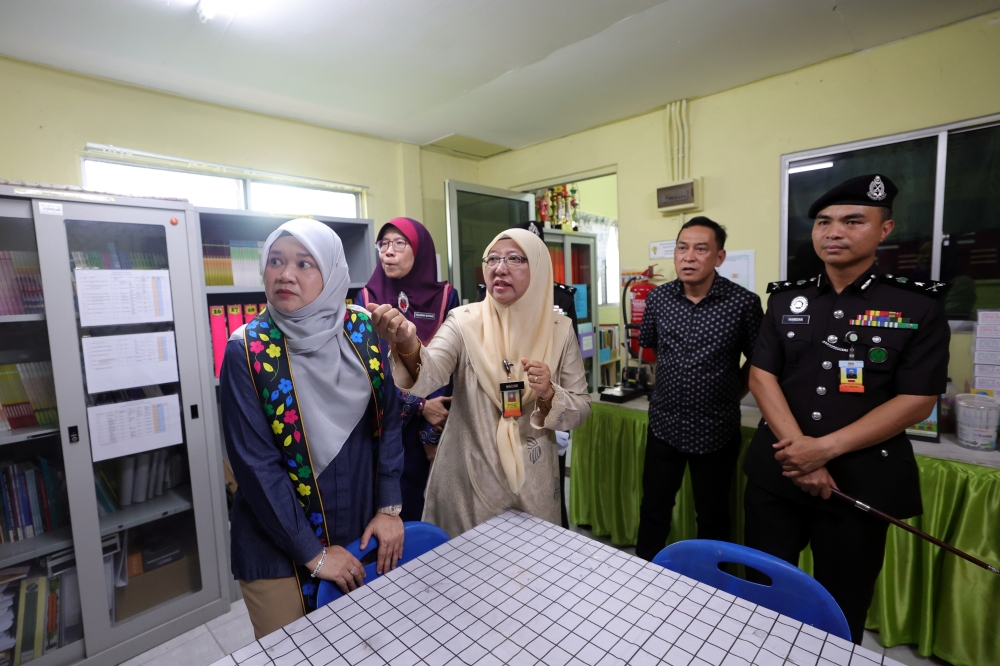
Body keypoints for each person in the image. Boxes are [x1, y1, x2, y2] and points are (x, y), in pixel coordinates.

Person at [744, 174, 950, 643]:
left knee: (843, 601)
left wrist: (823, 450)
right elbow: (762, 376)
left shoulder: (915, 304)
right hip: (778, 474)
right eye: (824, 222)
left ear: (884, 229)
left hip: (858, 480)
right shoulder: (785, 299)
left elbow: (917, 400)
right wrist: (801, 452)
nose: (834, 231)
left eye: (853, 220)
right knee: (762, 593)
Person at [220, 219, 404, 638]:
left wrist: (388, 507)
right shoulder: (245, 351)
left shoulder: (361, 329)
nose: (285, 274)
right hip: (277, 546)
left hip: (360, 526)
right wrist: (313, 554)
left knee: (365, 645)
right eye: (276, 261)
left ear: (333, 271)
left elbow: (387, 420)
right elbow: (256, 467)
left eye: (305, 263)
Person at [366, 228, 592, 536]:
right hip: (469, 479)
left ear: (538, 267)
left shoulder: (559, 330)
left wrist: (550, 394)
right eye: (493, 259)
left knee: (532, 573)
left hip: (533, 479)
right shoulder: (463, 321)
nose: (500, 268)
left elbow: (581, 408)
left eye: (515, 259)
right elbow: (427, 376)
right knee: (466, 575)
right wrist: (407, 343)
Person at [634, 217, 763, 561]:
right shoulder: (659, 299)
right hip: (664, 425)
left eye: (700, 249)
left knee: (713, 515)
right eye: (682, 247)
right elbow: (653, 349)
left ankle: (712, 589)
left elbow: (759, 361)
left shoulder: (743, 303)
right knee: (654, 508)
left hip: (716, 429)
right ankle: (644, 574)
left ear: (719, 257)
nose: (688, 257)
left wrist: (730, 392)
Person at [360, 217, 460, 521]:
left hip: (439, 424)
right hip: (385, 424)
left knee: (439, 512)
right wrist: (419, 406)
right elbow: (365, 369)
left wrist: (432, 427)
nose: (388, 252)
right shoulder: (365, 299)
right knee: (393, 513)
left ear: (420, 251)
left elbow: (451, 366)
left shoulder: (445, 298)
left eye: (399, 243)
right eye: (383, 244)